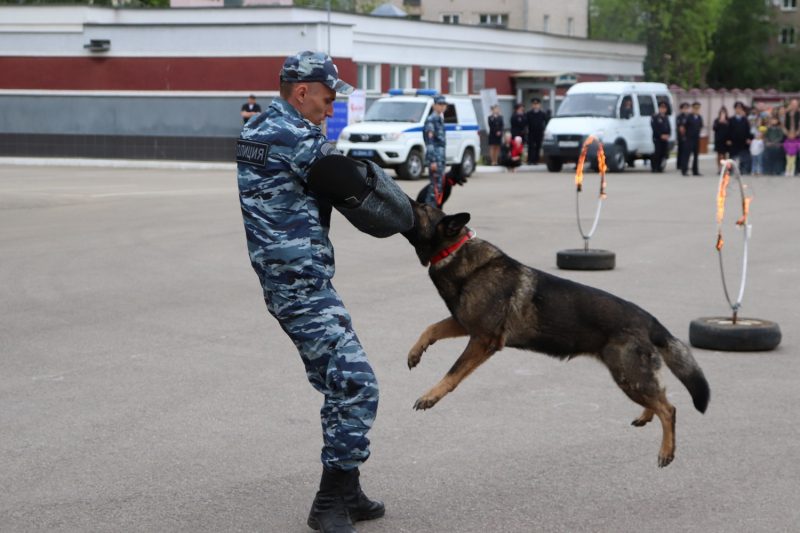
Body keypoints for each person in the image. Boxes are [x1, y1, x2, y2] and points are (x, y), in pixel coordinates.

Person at [236, 51, 384, 533]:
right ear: (301, 92)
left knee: (336, 379)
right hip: (298, 286)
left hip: (291, 279)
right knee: (355, 382)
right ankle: (328, 502)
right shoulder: (291, 133)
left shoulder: (258, 129)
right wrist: (412, 218)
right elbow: (348, 183)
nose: (331, 108)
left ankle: (349, 490)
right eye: (326, 97)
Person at [424, 95, 448, 206]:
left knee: (438, 187)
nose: (442, 107)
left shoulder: (440, 120)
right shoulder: (431, 120)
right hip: (435, 159)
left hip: (440, 158)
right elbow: (430, 142)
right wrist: (433, 160)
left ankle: (434, 213)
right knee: (434, 189)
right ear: (434, 106)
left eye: (444, 104)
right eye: (440, 104)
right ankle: (429, 214)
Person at [728, 101, 753, 174]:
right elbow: (728, 130)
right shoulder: (731, 120)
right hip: (734, 141)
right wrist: (728, 139)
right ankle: (730, 170)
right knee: (732, 156)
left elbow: (748, 130)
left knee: (743, 156)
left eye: (740, 108)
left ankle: (743, 170)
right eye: (737, 108)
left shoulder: (745, 120)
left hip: (743, 141)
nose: (738, 110)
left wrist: (748, 138)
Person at [681, 102, 703, 176]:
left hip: (696, 138)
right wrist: (686, 136)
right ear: (692, 109)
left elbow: (700, 127)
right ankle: (684, 170)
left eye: (697, 109)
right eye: (695, 109)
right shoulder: (688, 117)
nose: (696, 110)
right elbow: (682, 128)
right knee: (687, 155)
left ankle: (695, 170)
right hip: (689, 138)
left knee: (696, 155)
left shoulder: (699, 117)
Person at [525, 98, 548, 164]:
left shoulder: (542, 113)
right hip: (531, 132)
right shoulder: (529, 113)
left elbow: (546, 121)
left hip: (539, 132)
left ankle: (536, 160)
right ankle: (529, 160)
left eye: (537, 104)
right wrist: (526, 129)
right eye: (534, 104)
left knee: (538, 146)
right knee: (531, 146)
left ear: (539, 105)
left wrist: (544, 129)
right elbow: (526, 122)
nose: (535, 106)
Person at [650, 101, 670, 173]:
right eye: (661, 108)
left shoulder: (666, 117)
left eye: (664, 108)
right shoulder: (655, 117)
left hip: (665, 138)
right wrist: (661, 135)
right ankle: (655, 167)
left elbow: (668, 127)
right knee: (657, 153)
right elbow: (654, 128)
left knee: (663, 153)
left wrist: (668, 135)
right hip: (657, 138)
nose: (663, 109)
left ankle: (660, 167)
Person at [783, 99, 800, 177]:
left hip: (797, 136)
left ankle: (795, 170)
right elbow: (783, 125)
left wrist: (795, 134)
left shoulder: (799, 114)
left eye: (795, 104)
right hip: (788, 136)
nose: (794, 106)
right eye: (792, 104)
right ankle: (787, 170)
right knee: (788, 154)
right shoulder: (786, 114)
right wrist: (787, 134)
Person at [713, 107, 729, 174]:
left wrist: (726, 123)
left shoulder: (728, 120)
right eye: (721, 112)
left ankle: (725, 168)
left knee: (724, 154)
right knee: (719, 154)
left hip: (725, 140)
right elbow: (714, 128)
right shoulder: (717, 120)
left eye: (724, 112)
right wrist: (719, 122)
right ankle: (719, 168)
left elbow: (730, 129)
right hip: (718, 139)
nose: (723, 113)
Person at [676, 103, 690, 170]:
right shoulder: (680, 117)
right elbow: (680, 127)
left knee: (686, 151)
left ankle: (685, 164)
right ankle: (679, 164)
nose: (686, 110)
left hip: (688, 137)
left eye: (687, 108)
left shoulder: (689, 116)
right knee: (681, 150)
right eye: (684, 108)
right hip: (681, 136)